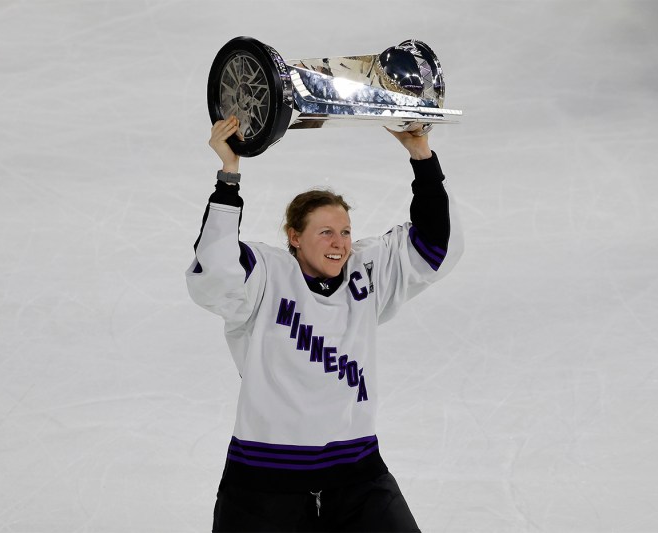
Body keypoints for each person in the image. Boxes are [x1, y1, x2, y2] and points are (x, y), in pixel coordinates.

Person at [187, 116, 464, 532]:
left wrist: (421, 155)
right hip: (263, 479)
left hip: (356, 474)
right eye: (326, 232)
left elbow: (436, 246)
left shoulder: (366, 273)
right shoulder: (265, 275)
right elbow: (215, 270)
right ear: (294, 236)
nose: (340, 243)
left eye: (346, 232)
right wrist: (229, 175)